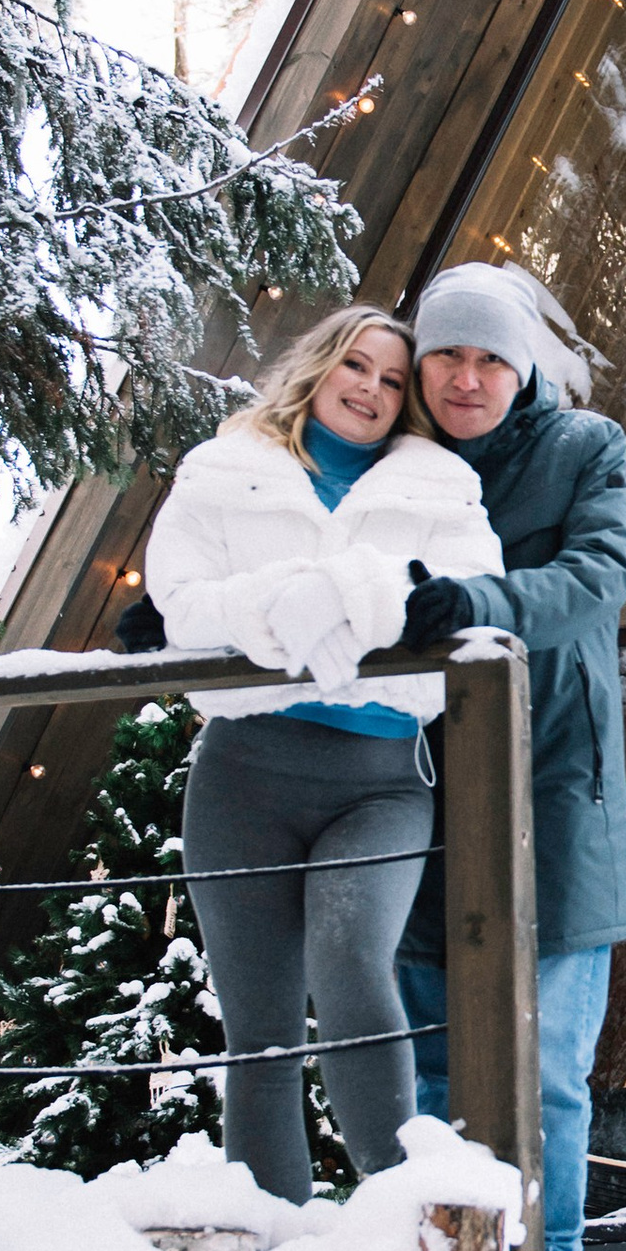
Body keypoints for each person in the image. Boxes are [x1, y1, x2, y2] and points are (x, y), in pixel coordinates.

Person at [141, 305, 502, 1205]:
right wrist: (294, 599)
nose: (371, 390)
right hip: (243, 776)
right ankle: (272, 1234)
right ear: (317, 366)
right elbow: (182, 606)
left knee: (350, 961)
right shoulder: (222, 473)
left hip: (379, 782)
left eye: (390, 379)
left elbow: (463, 602)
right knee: (258, 1030)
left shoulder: (442, 489)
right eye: (357, 366)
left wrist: (347, 592)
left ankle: (402, 1212)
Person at [391, 262, 626, 1251]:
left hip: (559, 793)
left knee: (548, 1078)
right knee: (436, 1077)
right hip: (413, 797)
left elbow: (596, 578)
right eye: (447, 352)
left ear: (522, 365)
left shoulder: (586, 447)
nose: (468, 375)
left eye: (492, 355)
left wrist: (473, 601)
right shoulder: (388, 463)